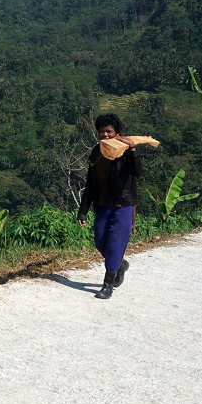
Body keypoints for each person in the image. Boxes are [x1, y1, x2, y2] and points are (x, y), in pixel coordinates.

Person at [76, 113, 141, 300]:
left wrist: (133, 149)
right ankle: (120, 265)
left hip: (123, 205)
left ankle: (108, 284)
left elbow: (137, 172)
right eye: (101, 131)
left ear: (117, 133)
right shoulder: (96, 152)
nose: (105, 135)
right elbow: (90, 183)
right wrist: (83, 211)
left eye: (109, 131)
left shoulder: (126, 151)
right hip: (103, 204)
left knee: (115, 244)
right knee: (100, 239)